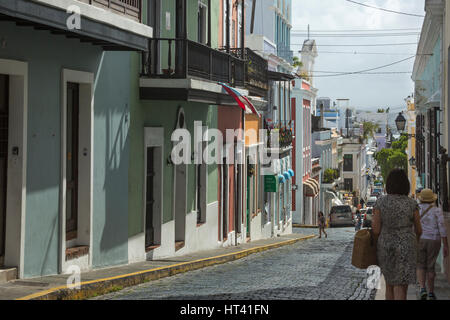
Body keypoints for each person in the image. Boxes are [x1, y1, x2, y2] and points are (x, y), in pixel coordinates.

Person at [372, 169, 422, 300]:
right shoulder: (412, 203)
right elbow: (419, 229)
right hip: (407, 246)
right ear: (406, 185)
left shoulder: (380, 202)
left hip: (386, 246)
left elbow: (376, 229)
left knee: (389, 284)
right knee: (401, 285)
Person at [416, 189, 448, 300]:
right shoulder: (437, 210)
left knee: (420, 265)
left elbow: (413, 226)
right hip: (434, 240)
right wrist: (446, 245)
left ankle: (422, 288)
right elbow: (442, 229)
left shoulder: (417, 210)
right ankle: (430, 292)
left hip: (420, 239)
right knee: (431, 266)